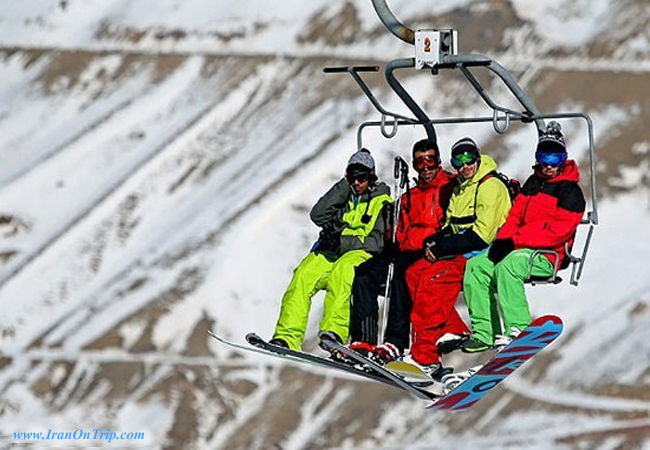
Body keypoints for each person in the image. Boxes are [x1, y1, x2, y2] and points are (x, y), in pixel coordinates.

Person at [462, 122, 586, 352]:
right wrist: (502, 241)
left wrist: (515, 242)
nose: (548, 166)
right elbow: (515, 217)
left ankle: (519, 327)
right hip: (519, 248)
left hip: (548, 256)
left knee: (509, 266)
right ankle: (486, 332)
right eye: (544, 158)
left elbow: (557, 232)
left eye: (555, 159)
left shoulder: (570, 192)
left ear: (564, 159)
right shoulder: (533, 183)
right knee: (476, 267)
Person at [395, 137, 512, 378]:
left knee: (431, 283)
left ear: (478, 158)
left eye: (469, 159)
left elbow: (481, 236)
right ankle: (453, 330)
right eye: (459, 161)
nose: (464, 165)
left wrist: (443, 247)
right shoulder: (461, 187)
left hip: (483, 253)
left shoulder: (489, 186)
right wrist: (436, 241)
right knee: (414, 272)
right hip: (462, 251)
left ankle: (424, 356)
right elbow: (452, 224)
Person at [270, 148, 393, 352]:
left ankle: (333, 332)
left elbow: (376, 242)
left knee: (342, 272)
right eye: (352, 177)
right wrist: (343, 186)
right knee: (304, 274)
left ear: (371, 177)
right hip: (333, 252)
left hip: (360, 253)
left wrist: (342, 240)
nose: (356, 183)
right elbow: (317, 215)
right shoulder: (344, 197)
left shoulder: (382, 202)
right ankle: (287, 336)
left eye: (361, 177)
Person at [347, 139, 456, 360]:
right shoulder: (409, 197)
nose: (425, 167)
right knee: (364, 274)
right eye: (420, 162)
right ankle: (364, 340)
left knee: (402, 275)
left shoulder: (450, 188)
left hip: (430, 250)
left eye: (430, 160)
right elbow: (399, 230)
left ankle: (395, 342)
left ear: (439, 161)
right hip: (405, 250)